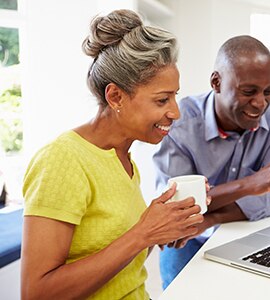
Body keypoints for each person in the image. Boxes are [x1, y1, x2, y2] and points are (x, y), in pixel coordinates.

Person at [21, 9, 205, 300]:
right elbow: (37, 293)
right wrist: (143, 234)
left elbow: (116, 257)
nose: (175, 112)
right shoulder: (62, 160)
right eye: (162, 100)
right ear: (116, 96)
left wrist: (163, 232)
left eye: (174, 96)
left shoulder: (123, 160)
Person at [153, 35, 270, 289]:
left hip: (247, 236)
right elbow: (176, 210)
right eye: (249, 91)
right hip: (187, 241)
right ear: (216, 82)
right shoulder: (180, 123)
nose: (261, 103)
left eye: (268, 91)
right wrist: (251, 185)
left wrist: (208, 219)